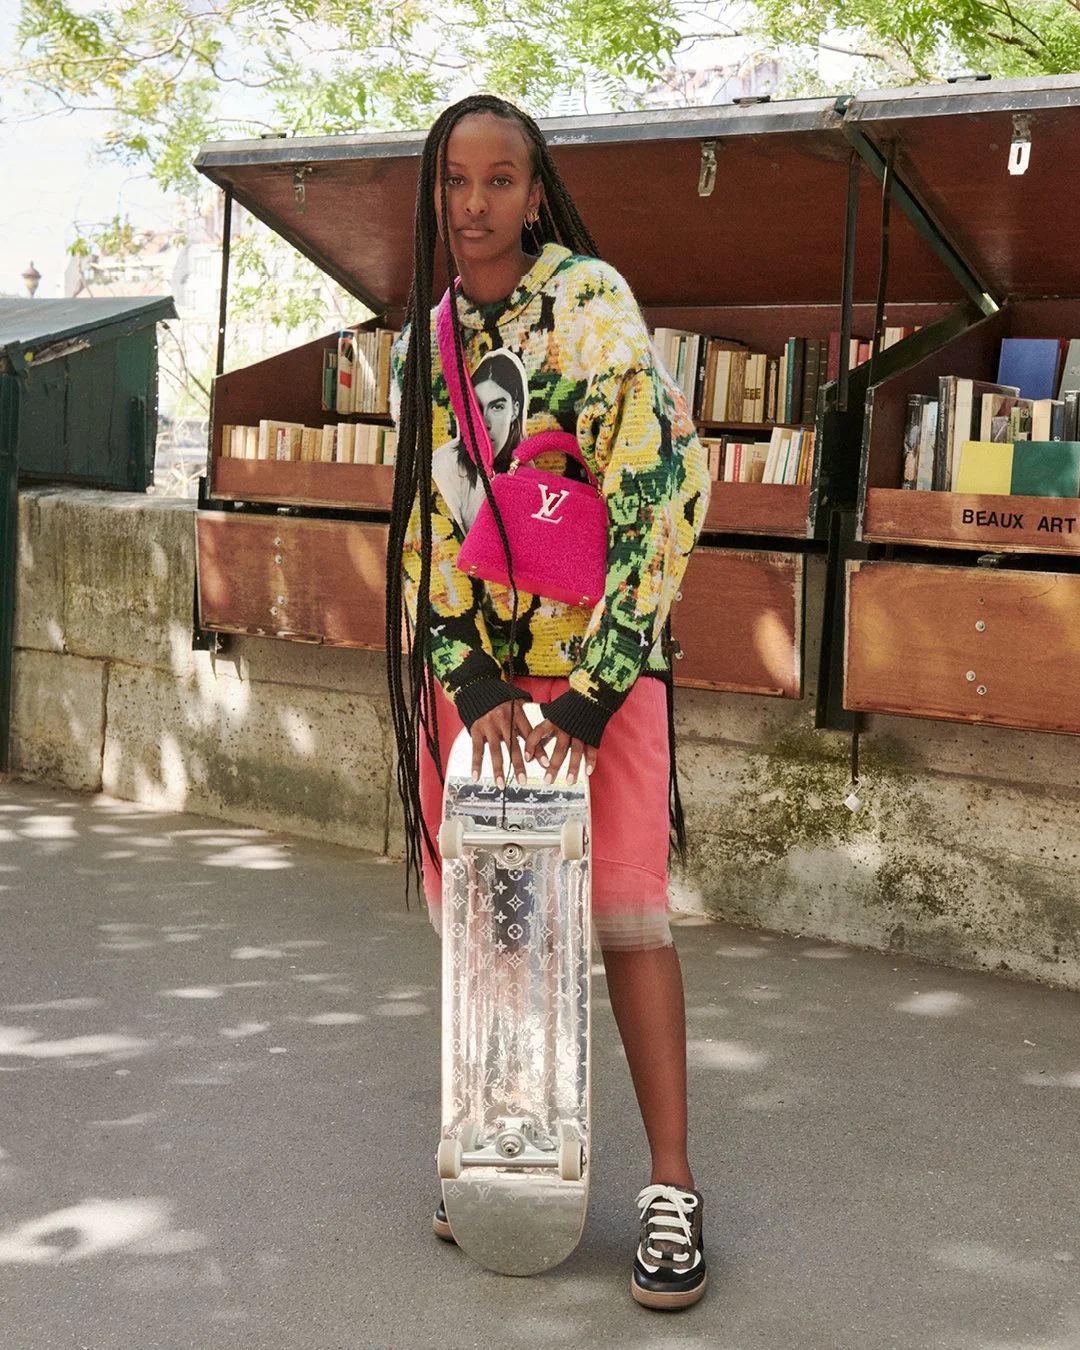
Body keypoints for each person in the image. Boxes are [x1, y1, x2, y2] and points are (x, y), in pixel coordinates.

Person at [385, 93, 711, 1311]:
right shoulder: (429, 339)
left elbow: (658, 499)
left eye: (500, 180)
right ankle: (494, 1143)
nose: (475, 206)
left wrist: (589, 695)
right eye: (455, 182)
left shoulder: (592, 308)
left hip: (593, 677)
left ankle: (671, 1187)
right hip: (480, 686)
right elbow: (426, 520)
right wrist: (467, 679)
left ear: (536, 189)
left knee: (625, 920)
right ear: (437, 190)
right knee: (492, 922)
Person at [432, 346, 529, 532]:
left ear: (515, 409)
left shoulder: (527, 469)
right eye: (477, 408)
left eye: (497, 407)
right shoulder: (446, 465)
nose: (485, 423)